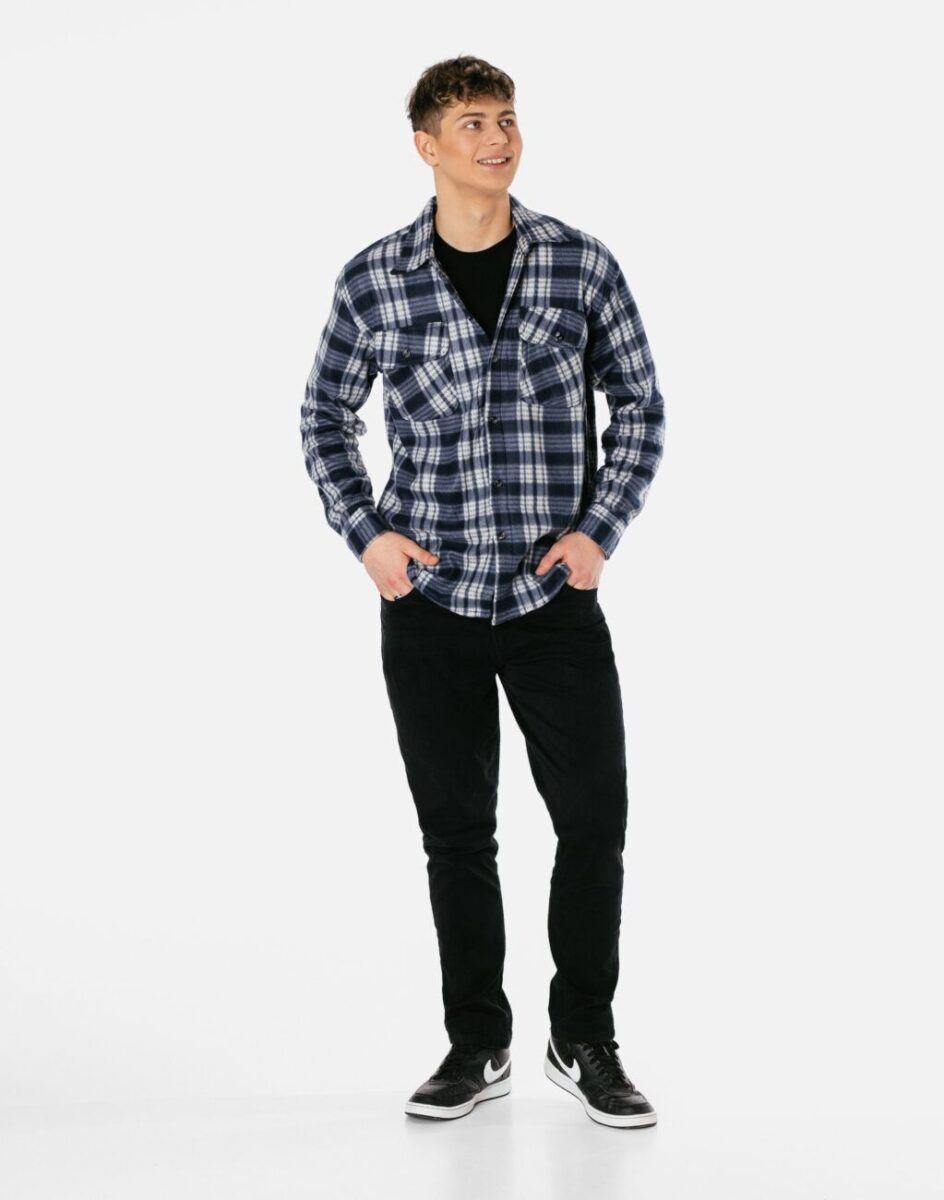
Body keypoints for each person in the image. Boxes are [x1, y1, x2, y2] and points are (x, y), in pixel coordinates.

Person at [300, 55, 665, 1129]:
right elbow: (323, 417)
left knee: (592, 820)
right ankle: (476, 1044)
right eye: (471, 123)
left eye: (505, 118)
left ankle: (583, 1036)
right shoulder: (375, 280)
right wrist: (367, 536)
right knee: (457, 837)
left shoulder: (578, 264)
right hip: (430, 601)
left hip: (552, 599)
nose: (497, 138)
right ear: (426, 145)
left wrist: (599, 531)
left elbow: (639, 404)